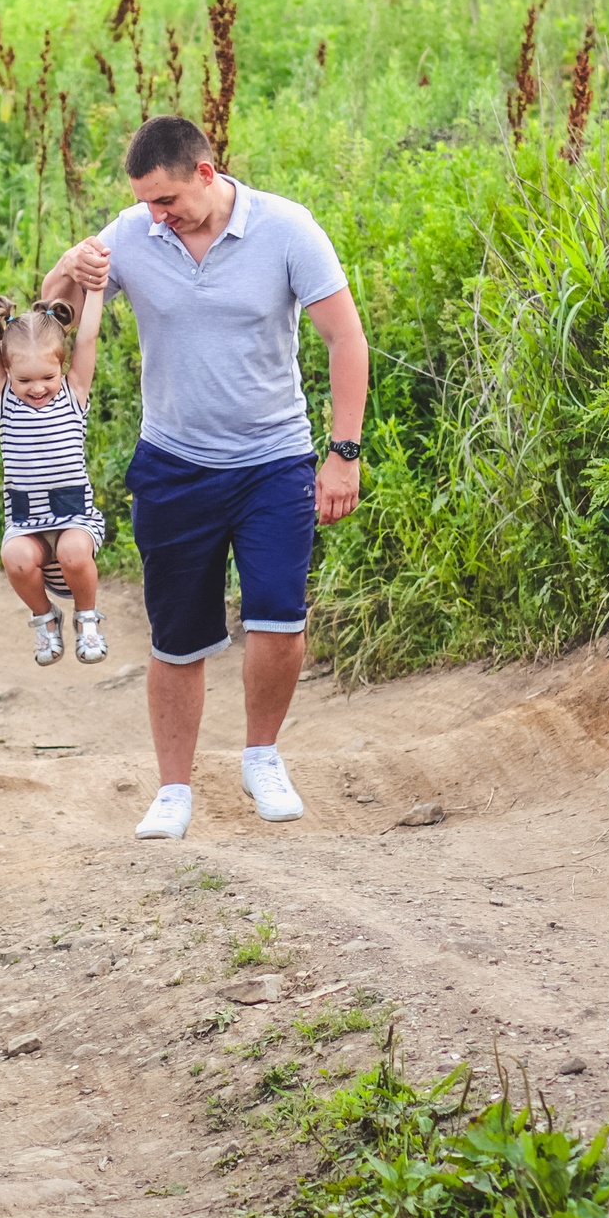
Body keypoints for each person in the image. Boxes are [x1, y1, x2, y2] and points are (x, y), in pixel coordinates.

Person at [43, 116, 368, 841]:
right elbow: (54, 316)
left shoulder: (286, 229)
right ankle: (173, 789)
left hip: (273, 459)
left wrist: (342, 451)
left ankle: (262, 756)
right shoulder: (133, 233)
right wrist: (70, 267)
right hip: (172, 461)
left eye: (166, 200)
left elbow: (346, 336)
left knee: (278, 616)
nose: (156, 216)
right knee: (176, 636)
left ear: (205, 172)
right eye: (146, 203)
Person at [0, 283, 110, 667]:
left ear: (61, 367)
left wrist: (95, 290)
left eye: (47, 376)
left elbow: (88, 338)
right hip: (27, 522)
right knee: (13, 557)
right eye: (24, 380)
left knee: (73, 551)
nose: (37, 388)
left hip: (74, 517)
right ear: (7, 371)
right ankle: (46, 618)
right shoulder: (5, 402)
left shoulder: (73, 393)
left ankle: (87, 618)